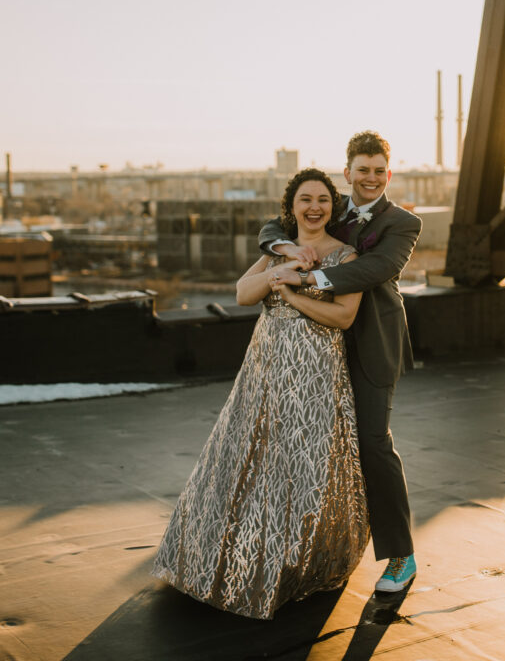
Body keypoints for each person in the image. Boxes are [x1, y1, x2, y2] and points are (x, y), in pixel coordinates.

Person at [152, 168, 369, 620]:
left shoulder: (347, 257)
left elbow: (344, 317)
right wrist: (282, 271)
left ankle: (297, 563)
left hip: (313, 374)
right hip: (264, 370)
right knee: (250, 457)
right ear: (292, 207)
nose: (315, 207)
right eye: (306, 199)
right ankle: (240, 556)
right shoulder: (278, 252)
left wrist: (290, 296)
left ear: (333, 206)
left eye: (324, 200)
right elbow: (243, 293)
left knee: (304, 461)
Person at [260, 130, 421, 593]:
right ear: (347, 172)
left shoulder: (403, 223)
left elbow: (377, 269)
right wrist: (287, 249)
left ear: (387, 175)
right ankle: (320, 548)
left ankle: (400, 557)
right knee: (318, 449)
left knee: (373, 444)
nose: (369, 179)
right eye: (361, 170)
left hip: (370, 344)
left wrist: (309, 280)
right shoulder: (328, 206)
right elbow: (273, 227)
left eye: (378, 171)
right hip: (319, 347)